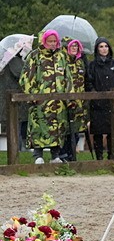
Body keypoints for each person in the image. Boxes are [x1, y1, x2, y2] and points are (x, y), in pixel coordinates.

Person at [19, 30, 71, 164]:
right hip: (40, 101)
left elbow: (68, 77)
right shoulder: (35, 56)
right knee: (38, 127)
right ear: (44, 41)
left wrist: (68, 96)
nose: (53, 44)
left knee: (58, 128)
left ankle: (55, 155)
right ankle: (38, 155)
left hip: (58, 102)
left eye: (55, 41)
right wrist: (32, 95)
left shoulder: (61, 56)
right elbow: (25, 77)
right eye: (50, 41)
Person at [85, 37, 114, 160]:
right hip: (97, 105)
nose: (104, 49)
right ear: (97, 49)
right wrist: (95, 95)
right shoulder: (92, 65)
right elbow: (88, 83)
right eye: (101, 46)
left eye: (106, 46)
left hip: (113, 105)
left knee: (113, 131)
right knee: (98, 132)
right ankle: (99, 158)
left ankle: (112, 157)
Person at [60, 38, 87, 161]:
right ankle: (63, 154)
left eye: (77, 46)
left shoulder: (80, 62)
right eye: (72, 46)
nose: (75, 48)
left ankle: (71, 155)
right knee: (64, 129)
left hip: (79, 101)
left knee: (77, 129)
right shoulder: (61, 62)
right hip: (64, 101)